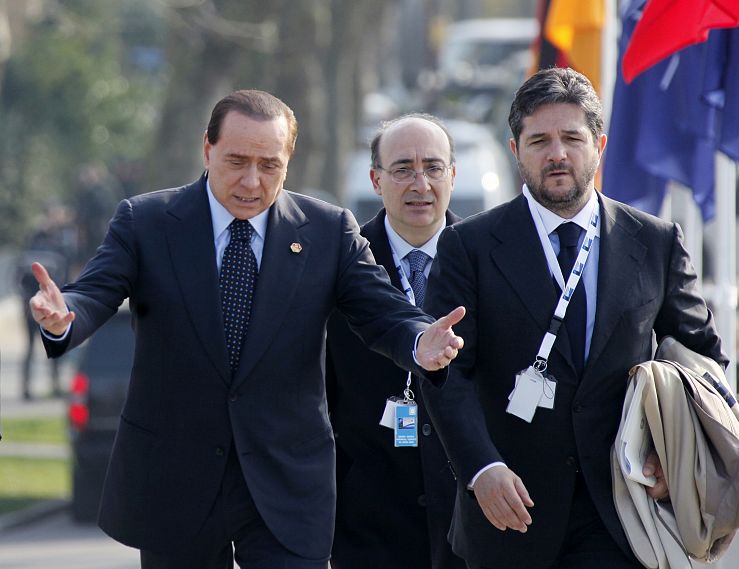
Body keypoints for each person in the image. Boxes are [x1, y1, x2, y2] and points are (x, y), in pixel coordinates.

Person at [29, 90, 465, 569]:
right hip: (178, 480)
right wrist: (64, 314)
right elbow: (94, 291)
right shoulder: (148, 222)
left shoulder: (327, 231)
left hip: (286, 481)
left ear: (288, 161)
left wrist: (421, 340)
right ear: (207, 150)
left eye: (269, 165)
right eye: (237, 161)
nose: (251, 181)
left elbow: (381, 310)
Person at [419, 67, 727, 569]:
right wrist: (481, 468)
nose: (556, 154)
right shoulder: (468, 247)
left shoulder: (655, 242)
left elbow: (703, 360)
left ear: (599, 145)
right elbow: (446, 376)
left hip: (627, 512)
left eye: (571, 138)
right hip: (509, 514)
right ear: (515, 150)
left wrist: (677, 455)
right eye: (538, 140)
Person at [326, 113, 465, 569]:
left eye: (433, 167)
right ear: (376, 179)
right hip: (368, 522)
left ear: (453, 175)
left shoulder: (491, 260)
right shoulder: (338, 266)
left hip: (472, 517)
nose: (420, 183)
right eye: (403, 168)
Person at [15, 205, 76, 400]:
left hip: (44, 305)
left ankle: (53, 384)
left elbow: (64, 275)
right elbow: (20, 276)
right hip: (32, 305)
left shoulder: (59, 244)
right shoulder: (41, 245)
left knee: (50, 343)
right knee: (35, 346)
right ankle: (28, 387)